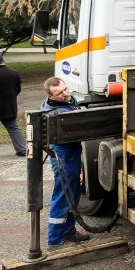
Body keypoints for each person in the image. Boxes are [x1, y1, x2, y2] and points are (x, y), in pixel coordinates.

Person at [41, 77, 90, 246]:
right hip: (64, 155)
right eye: (60, 93)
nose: (65, 94)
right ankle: (54, 240)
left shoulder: (64, 102)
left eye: (65, 89)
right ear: (51, 96)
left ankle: (69, 231)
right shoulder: (56, 113)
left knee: (73, 193)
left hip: (71, 152)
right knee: (63, 194)